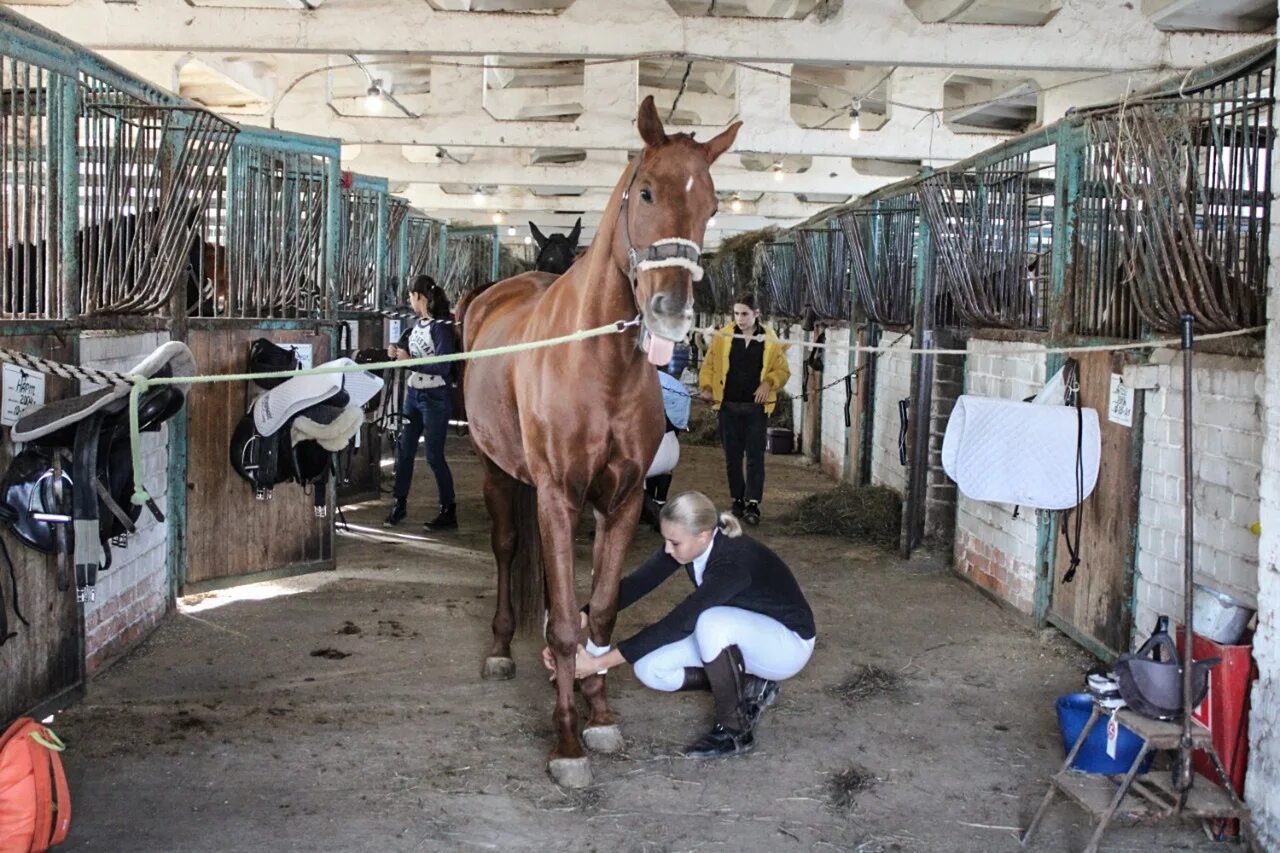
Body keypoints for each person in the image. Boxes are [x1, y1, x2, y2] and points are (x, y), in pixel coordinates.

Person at [547, 491, 816, 759]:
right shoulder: (688, 544)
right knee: (650, 669)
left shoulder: (733, 562)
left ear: (703, 535)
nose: (667, 549)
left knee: (709, 621)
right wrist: (578, 619)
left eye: (674, 543)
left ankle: (735, 730)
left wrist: (597, 664)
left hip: (787, 645)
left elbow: (679, 623)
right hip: (745, 633)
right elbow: (637, 583)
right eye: (665, 540)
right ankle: (752, 685)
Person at [698, 293, 790, 526]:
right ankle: (737, 499)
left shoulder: (770, 339)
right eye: (737, 313)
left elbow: (782, 370)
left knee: (755, 456)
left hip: (756, 408)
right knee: (732, 456)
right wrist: (707, 387)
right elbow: (709, 364)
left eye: (745, 314)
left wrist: (768, 383)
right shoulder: (723, 336)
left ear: (756, 314)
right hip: (728, 405)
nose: (740, 318)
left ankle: (753, 503)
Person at [384, 275, 458, 531]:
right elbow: (409, 352)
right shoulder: (417, 325)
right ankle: (399, 503)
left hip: (435, 397)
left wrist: (409, 361)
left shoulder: (441, 327)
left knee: (434, 456)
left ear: (420, 297)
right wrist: (396, 353)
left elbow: (444, 365)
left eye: (411, 296)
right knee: (404, 452)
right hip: (414, 395)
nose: (408, 300)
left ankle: (449, 509)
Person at [641, 355, 692, 529]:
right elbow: (681, 415)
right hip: (671, 445)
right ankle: (660, 503)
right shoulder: (673, 384)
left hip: (652, 449)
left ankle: (647, 510)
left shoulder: (640, 383)